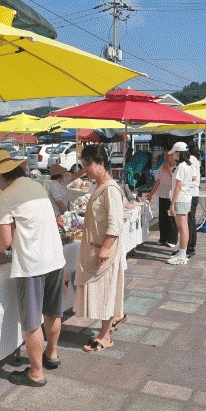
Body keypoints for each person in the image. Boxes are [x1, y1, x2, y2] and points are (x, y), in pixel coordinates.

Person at [0, 150, 66, 387]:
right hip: (55, 257)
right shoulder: (36, 185)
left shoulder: (5, 196)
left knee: (31, 322)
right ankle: (52, 354)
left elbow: (5, 241)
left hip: (32, 263)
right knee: (52, 312)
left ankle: (36, 373)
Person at [73, 144, 126, 352]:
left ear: (101, 163)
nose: (85, 169)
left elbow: (116, 223)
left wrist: (105, 247)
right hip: (94, 248)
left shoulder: (110, 189)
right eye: (84, 164)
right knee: (102, 291)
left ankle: (105, 336)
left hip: (103, 251)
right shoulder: (100, 186)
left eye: (88, 164)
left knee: (106, 292)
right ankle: (107, 327)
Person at [146, 147, 178, 247]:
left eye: (167, 156)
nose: (166, 158)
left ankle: (172, 240)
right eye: (164, 156)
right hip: (162, 195)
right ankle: (163, 238)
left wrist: (169, 171)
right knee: (163, 218)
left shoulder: (177, 167)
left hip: (171, 196)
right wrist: (151, 194)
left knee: (171, 219)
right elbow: (158, 181)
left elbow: (176, 181)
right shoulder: (162, 166)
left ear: (173, 155)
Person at [167, 142, 192, 265]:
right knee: (184, 228)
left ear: (179, 153)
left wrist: (172, 204)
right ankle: (182, 252)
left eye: (175, 153)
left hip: (180, 199)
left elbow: (178, 186)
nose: (173, 155)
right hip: (184, 199)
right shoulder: (186, 165)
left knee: (182, 229)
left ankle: (182, 256)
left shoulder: (181, 167)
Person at [187, 142, 201, 258]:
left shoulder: (191, 159)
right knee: (190, 220)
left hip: (191, 193)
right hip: (193, 193)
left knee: (190, 221)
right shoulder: (195, 159)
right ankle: (188, 246)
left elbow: (193, 176)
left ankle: (190, 247)